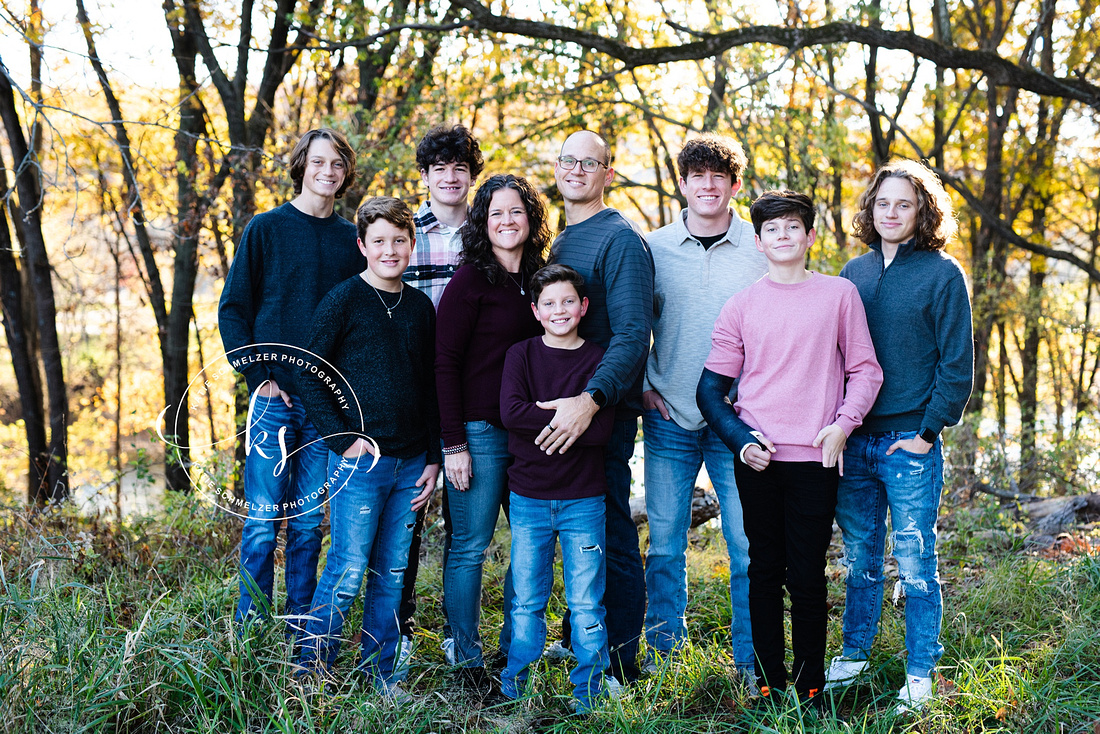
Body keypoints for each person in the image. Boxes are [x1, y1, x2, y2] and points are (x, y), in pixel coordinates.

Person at [697, 190, 882, 706]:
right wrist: (740, 441)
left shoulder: (839, 296)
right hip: (759, 460)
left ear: (810, 237)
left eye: (793, 227)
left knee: (807, 575)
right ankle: (767, 681)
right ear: (758, 242)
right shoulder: (741, 306)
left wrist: (844, 425)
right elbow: (710, 391)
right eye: (772, 229)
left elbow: (865, 370)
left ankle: (811, 685)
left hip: (817, 459)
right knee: (763, 570)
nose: (783, 236)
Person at [826, 160, 973, 714]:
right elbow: (834, 357)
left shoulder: (942, 274)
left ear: (923, 212)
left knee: (914, 558)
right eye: (883, 203)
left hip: (910, 438)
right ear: (871, 209)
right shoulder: (852, 273)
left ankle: (919, 670)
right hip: (856, 439)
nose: (891, 213)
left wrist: (929, 431)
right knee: (860, 554)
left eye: (904, 204)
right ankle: (856, 654)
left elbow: (958, 364)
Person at [295, 196, 440, 699]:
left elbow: (431, 388)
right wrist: (340, 437)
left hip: (412, 464)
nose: (390, 250)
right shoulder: (344, 300)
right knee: (348, 568)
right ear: (362, 245)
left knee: (392, 573)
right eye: (379, 241)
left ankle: (380, 676)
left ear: (412, 244)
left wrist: (436, 458)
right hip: (362, 463)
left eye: (399, 240)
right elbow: (308, 372)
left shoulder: (421, 308)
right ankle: (310, 674)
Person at [217, 128, 361, 629]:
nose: (328, 171)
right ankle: (250, 630)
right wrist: (257, 376)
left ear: (346, 173)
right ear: (301, 166)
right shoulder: (266, 228)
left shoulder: (351, 241)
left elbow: (359, 321)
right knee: (261, 525)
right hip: (274, 400)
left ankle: (299, 629)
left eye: (337, 163)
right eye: (318, 161)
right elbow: (234, 309)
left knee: (305, 526)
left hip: (325, 406)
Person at [641, 134, 766, 679]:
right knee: (665, 542)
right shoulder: (652, 247)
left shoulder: (763, 246)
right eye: (698, 176)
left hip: (739, 420)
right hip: (668, 412)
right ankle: (665, 655)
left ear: (735, 185)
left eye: (719, 176)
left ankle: (749, 661)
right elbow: (631, 323)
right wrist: (641, 386)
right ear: (684, 184)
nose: (708, 185)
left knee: (746, 544)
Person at [538, 130, 654, 683]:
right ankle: (579, 636)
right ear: (557, 168)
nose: (578, 170)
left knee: (611, 529)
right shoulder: (562, 240)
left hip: (600, 414)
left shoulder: (620, 240)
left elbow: (633, 335)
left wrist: (591, 401)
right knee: (577, 528)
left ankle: (623, 664)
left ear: (609, 173)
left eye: (592, 163)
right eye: (569, 161)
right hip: (562, 410)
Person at [435, 174, 548, 690]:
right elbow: (444, 364)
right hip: (479, 435)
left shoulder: (542, 280)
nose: (507, 221)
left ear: (531, 219)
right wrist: (454, 444)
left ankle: (512, 651)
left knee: (529, 545)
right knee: (470, 546)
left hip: (530, 435)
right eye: (496, 213)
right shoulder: (470, 281)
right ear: (482, 221)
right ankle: (465, 659)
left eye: (516, 212)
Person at [500, 264, 617, 712]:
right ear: (535, 310)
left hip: (584, 500)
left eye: (568, 301)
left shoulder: (598, 359)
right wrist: (567, 417)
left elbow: (601, 429)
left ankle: (588, 692)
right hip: (528, 497)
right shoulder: (522, 355)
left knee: (586, 603)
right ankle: (517, 686)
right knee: (527, 600)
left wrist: (564, 415)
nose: (559, 310)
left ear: (584, 307)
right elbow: (511, 412)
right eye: (549, 303)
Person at [400, 123, 485, 664]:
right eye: (439, 169)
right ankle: (399, 631)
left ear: (471, 175)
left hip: (469, 389)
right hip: (411, 386)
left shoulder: (490, 229)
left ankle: (459, 635)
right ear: (426, 176)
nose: (450, 178)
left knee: (465, 521)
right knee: (407, 516)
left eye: (459, 168)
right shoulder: (405, 232)